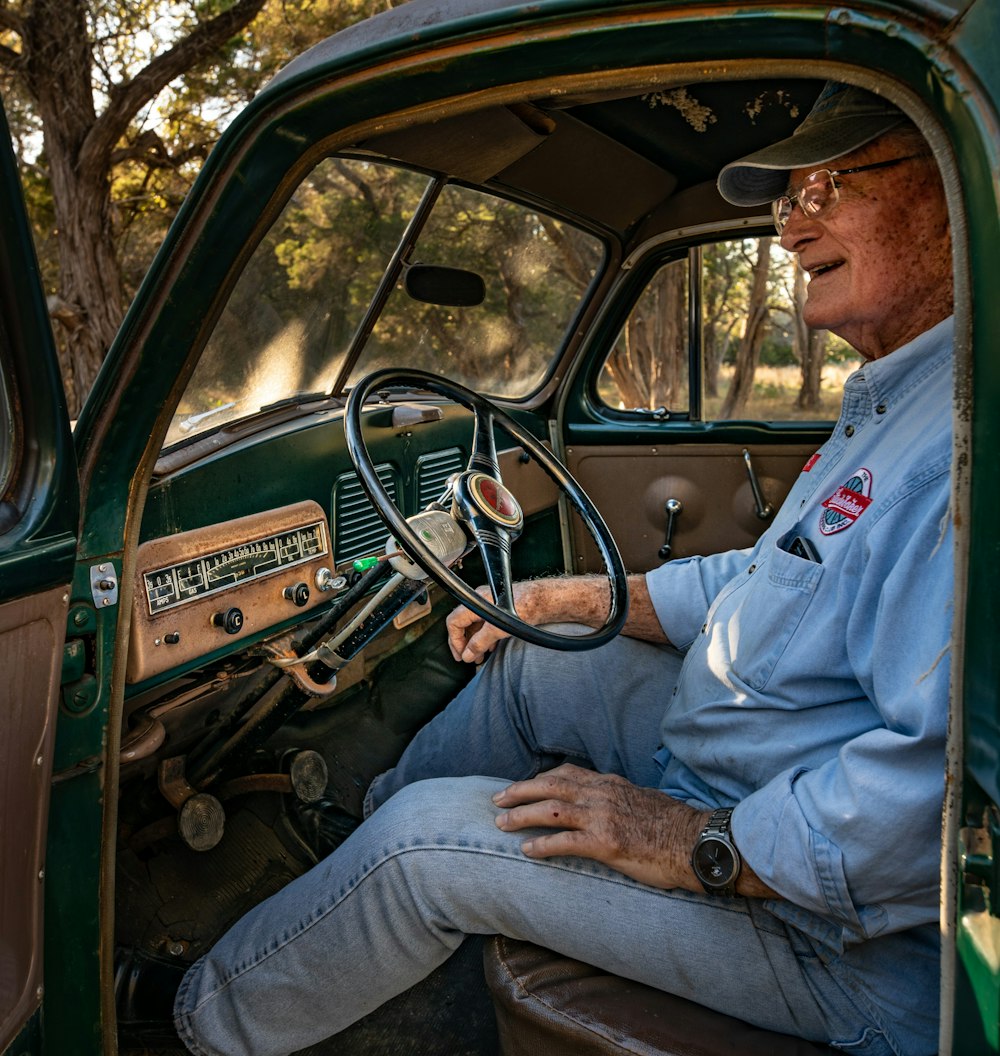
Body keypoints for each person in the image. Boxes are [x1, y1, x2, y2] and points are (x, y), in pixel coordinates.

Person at [172, 82, 955, 1056]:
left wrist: (690, 841)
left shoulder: (963, 449)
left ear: (959, 192)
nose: (791, 232)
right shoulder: (901, 399)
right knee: (545, 657)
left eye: (825, 188)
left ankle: (200, 1022)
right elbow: (767, 580)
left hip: (841, 942)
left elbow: (938, 794)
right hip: (751, 774)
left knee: (425, 842)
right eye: (785, 202)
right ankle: (340, 885)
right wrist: (573, 597)